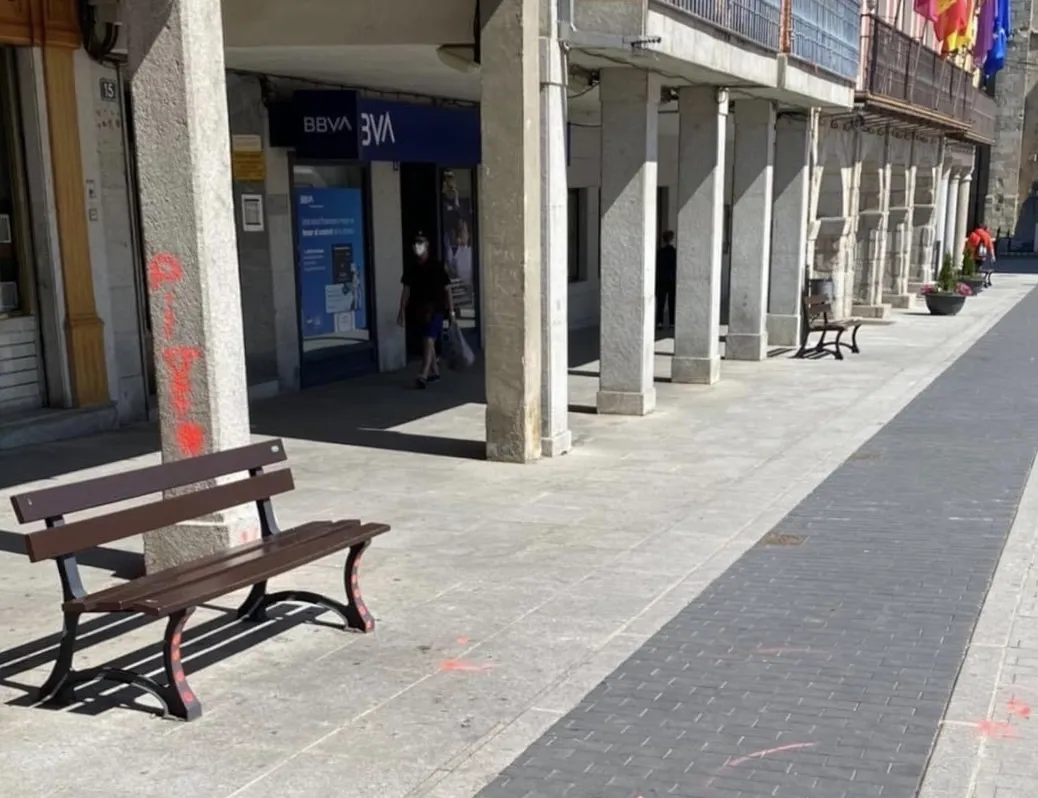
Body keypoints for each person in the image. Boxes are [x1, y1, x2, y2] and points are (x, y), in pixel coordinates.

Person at [398, 232, 455, 389]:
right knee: (426, 339)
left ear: (427, 246)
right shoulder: (412, 268)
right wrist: (401, 310)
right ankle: (435, 371)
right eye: (416, 244)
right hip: (419, 310)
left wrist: (451, 312)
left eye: (421, 244)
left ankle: (423, 373)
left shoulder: (437, 266)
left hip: (436, 310)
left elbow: (447, 289)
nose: (418, 247)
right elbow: (406, 290)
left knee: (428, 339)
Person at [656, 230, 677, 328]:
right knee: (672, 302)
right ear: (672, 239)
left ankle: (659, 322)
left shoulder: (660, 252)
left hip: (661, 280)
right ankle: (672, 322)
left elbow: (657, 267)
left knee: (661, 302)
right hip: (672, 280)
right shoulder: (675, 252)